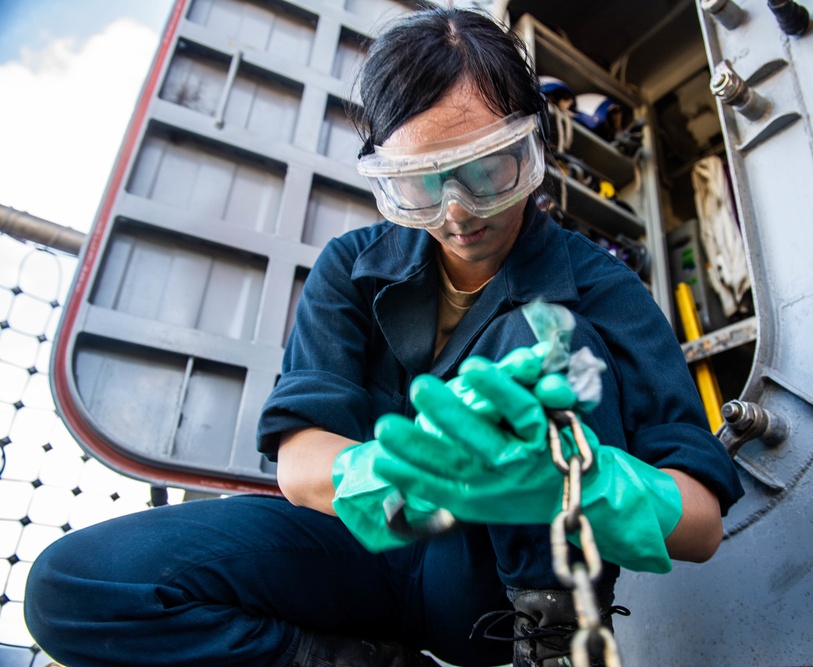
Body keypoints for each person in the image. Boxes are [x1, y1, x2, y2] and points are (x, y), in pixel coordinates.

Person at [24, 5, 743, 667]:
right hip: (361, 546)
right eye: (422, 184)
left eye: (488, 170)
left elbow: (703, 523)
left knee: (540, 339)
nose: (458, 213)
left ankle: (550, 645)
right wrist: (415, 478)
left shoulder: (604, 290)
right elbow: (303, 462)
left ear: (535, 147)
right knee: (72, 586)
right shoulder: (353, 266)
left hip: (491, 591)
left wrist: (575, 483)